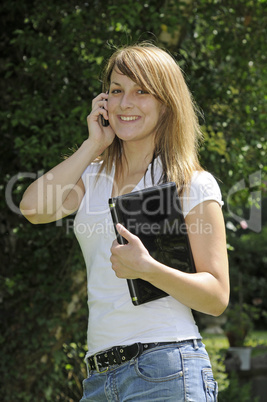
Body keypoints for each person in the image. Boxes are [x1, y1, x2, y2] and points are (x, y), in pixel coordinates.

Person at [20, 43, 229, 401]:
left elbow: (216, 297)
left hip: (167, 368)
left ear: (167, 102)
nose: (125, 103)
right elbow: (33, 209)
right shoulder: (91, 177)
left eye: (141, 91)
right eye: (116, 91)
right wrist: (92, 145)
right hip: (100, 378)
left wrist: (148, 269)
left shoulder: (190, 184)